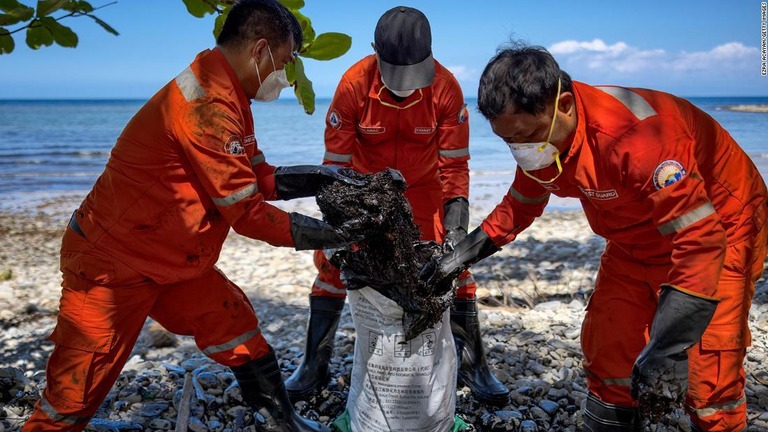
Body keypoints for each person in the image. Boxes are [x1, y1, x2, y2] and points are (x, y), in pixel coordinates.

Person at [22, 1, 371, 431]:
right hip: (114, 264)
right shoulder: (206, 106)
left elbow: (256, 176)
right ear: (260, 51)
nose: (284, 75)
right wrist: (337, 234)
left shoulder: (227, 94)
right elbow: (247, 214)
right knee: (73, 397)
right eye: (283, 63)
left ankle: (284, 424)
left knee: (235, 322)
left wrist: (325, 177)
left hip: (171, 258)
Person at [421, 42, 768, 431]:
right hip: (633, 240)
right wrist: (459, 257)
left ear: (564, 106)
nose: (521, 150)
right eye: (509, 142)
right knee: (610, 344)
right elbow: (521, 203)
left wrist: (669, 346)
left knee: (707, 375)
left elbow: (700, 241)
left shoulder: (638, 138)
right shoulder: (543, 143)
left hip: (722, 227)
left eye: (528, 136)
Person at [283, 5, 510, 407]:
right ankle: (313, 365)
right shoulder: (353, 84)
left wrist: (457, 230)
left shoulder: (446, 88)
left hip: (424, 190)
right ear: (374, 50)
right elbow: (334, 166)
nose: (406, 84)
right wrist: (336, 226)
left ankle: (476, 367)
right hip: (364, 190)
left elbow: (455, 166)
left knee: (456, 269)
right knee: (332, 267)